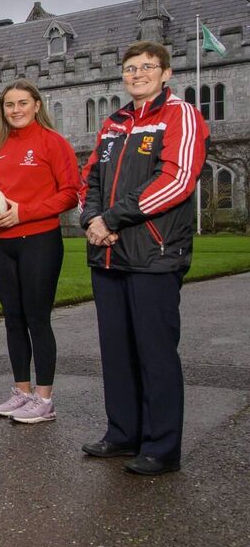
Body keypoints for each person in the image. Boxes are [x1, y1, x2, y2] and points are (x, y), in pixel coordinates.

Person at [80, 41, 208, 475]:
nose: (137, 74)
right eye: (131, 68)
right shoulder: (113, 123)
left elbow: (176, 179)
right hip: (107, 253)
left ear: (166, 73)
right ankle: (123, 433)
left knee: (155, 353)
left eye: (147, 66)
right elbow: (91, 178)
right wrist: (92, 219)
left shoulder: (181, 115)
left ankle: (161, 446)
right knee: (116, 351)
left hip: (154, 253)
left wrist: (112, 217)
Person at [0, 79, 82, 424]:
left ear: (37, 105)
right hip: (3, 243)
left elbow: (70, 194)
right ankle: (22, 392)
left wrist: (23, 212)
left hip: (39, 240)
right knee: (13, 319)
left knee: (37, 319)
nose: (16, 110)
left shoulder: (53, 142)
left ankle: (44, 399)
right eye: (9, 105)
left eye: (22, 103)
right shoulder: (0, 146)